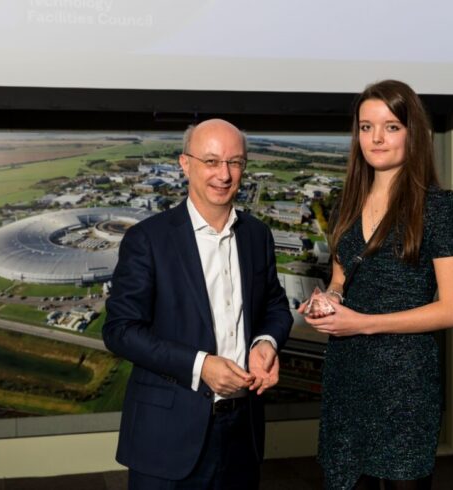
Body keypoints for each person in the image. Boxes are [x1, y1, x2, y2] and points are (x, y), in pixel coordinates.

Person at [103, 118, 293, 489]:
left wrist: (265, 344)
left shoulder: (257, 235)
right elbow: (120, 331)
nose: (224, 174)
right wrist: (200, 365)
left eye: (234, 162)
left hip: (242, 432)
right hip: (166, 439)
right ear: (185, 164)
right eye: (211, 161)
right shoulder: (148, 239)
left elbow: (275, 306)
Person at [301, 80, 453, 490]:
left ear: (413, 134)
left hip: (405, 382)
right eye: (365, 127)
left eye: (391, 126)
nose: (376, 138)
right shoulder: (345, 202)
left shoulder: (436, 207)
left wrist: (362, 323)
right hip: (347, 374)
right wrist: (329, 300)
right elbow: (342, 278)